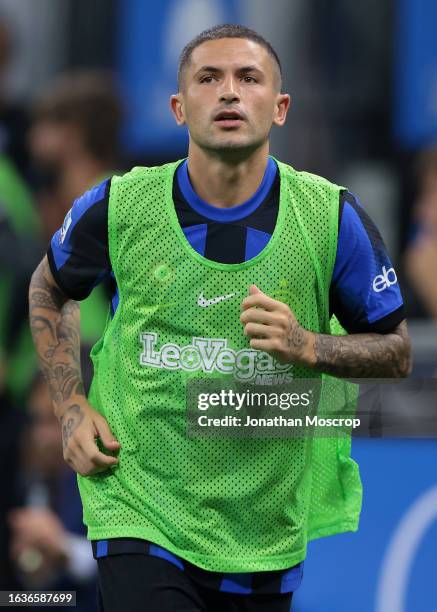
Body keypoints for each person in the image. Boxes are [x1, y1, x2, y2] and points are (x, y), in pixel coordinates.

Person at [29, 24, 411, 612]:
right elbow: (49, 289)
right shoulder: (121, 205)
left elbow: (397, 352)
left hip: (263, 522)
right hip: (139, 505)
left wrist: (307, 345)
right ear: (179, 107)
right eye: (209, 78)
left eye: (248, 78)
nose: (229, 92)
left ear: (280, 108)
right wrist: (70, 407)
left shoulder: (332, 218)